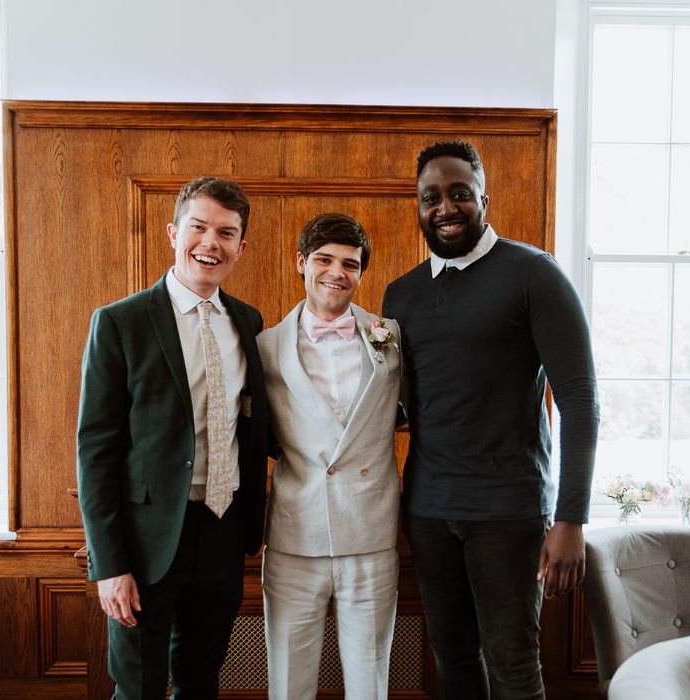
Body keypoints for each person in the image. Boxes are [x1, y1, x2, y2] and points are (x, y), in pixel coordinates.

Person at [382, 141, 600, 700]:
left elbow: (579, 399)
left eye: (459, 193)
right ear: (419, 206)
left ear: (484, 197)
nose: (445, 207)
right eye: (431, 197)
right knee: (452, 660)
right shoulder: (400, 295)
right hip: (428, 511)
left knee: (513, 667)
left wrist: (571, 518)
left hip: (509, 512)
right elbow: (400, 408)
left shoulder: (533, 274)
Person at [76, 177, 268, 700]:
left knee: (200, 681)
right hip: (143, 542)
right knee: (136, 687)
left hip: (223, 533)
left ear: (240, 247)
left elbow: (256, 426)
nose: (211, 242)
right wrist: (109, 564)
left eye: (226, 233)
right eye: (199, 227)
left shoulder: (249, 323)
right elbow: (95, 451)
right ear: (173, 232)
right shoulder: (120, 322)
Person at [257, 212, 402, 700]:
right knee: (289, 681)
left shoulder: (392, 337)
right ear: (301, 263)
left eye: (349, 263)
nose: (336, 273)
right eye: (323, 259)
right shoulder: (265, 347)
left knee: (370, 680)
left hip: (372, 533)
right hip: (295, 536)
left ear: (361, 272)